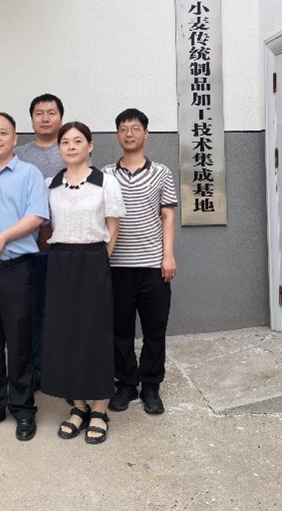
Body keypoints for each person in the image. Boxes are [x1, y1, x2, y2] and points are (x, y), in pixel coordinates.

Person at [40, 122, 125, 444]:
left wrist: (101, 260)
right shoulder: (50, 184)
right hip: (60, 261)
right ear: (59, 148)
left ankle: (100, 408)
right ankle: (78, 406)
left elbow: (113, 225)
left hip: (93, 259)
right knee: (65, 334)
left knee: (95, 333)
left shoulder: (106, 182)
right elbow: (44, 225)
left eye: (78, 141)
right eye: (65, 142)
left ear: (90, 146)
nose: (71, 146)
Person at [0, 112, 49, 441]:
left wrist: (3, 237)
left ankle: (23, 407)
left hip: (17, 267)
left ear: (15, 139)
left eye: (3, 133)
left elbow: (37, 215)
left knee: (19, 341)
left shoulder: (29, 174)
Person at [103, 108, 178, 415]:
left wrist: (168, 255)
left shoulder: (161, 172)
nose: (129, 134)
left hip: (152, 266)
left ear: (146, 133)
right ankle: (125, 384)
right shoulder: (106, 174)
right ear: (117, 135)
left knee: (154, 330)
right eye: (123, 129)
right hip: (116, 266)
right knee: (119, 330)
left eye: (135, 128)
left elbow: (167, 215)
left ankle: (150, 385)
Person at [14, 93, 65, 390]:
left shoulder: (70, 148)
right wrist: (38, 231)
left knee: (60, 311)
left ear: (61, 117)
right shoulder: (19, 153)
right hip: (26, 248)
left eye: (51, 113)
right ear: (31, 119)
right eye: (39, 113)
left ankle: (60, 370)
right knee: (31, 312)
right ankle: (35, 369)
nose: (45, 118)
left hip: (63, 247)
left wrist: (51, 230)